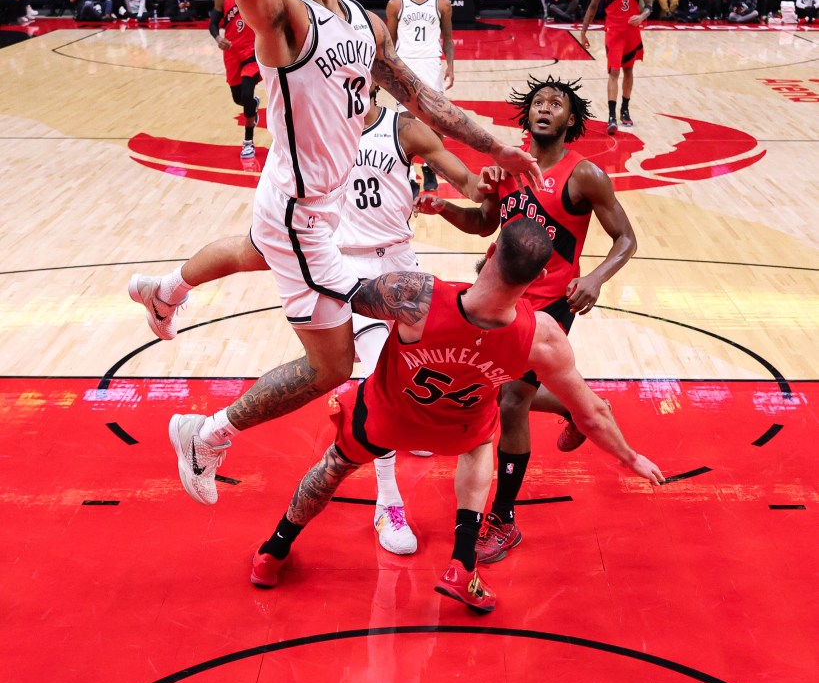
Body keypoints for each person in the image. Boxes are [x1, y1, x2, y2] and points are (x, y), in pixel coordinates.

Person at [117, 0, 540, 508]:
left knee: (254, 253)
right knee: (346, 355)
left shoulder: (365, 26)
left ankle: (166, 291)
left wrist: (498, 143)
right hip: (303, 215)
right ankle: (207, 433)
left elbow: (427, 102)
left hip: (300, 197)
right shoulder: (282, 15)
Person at [133, 81, 487, 554]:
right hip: (343, 266)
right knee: (380, 381)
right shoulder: (316, 129)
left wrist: (487, 182)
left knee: (408, 368)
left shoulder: (403, 129)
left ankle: (165, 292)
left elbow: (468, 182)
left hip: (401, 264)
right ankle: (388, 501)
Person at [249, 219, 664, 609]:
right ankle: (462, 563)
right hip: (459, 430)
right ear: (539, 277)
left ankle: (273, 551)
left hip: (388, 418)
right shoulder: (542, 337)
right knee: (483, 441)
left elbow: (341, 293)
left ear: (491, 250)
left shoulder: (416, 296)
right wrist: (631, 458)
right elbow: (592, 414)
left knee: (334, 465)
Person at [417, 75, 639, 564]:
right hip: (504, 299)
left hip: (552, 304)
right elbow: (484, 224)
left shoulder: (585, 176)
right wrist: (444, 208)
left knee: (512, 400)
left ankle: (504, 519)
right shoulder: (508, 168)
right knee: (500, 392)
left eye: (556, 104)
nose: (545, 108)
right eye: (538, 102)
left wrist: (596, 278)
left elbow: (626, 239)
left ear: (570, 120)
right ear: (526, 114)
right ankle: (575, 408)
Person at [385, 0, 455, 193]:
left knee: (435, 120)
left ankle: (430, 168)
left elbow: (448, 39)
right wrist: (388, 68)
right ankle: (408, 175)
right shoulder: (395, 4)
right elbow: (389, 41)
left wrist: (451, 67)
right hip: (405, 64)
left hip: (431, 64)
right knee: (406, 122)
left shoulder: (443, 4)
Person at [579, 0, 653, 136]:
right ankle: (611, 116)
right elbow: (593, 6)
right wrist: (584, 31)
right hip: (614, 30)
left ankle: (625, 109)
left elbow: (649, 5)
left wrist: (642, 16)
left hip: (632, 31)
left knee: (629, 70)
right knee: (614, 71)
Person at [210, 0, 262, 158]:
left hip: (252, 51)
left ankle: (248, 142)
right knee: (238, 98)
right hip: (232, 51)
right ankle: (252, 104)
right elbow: (212, 24)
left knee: (246, 94)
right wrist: (218, 38)